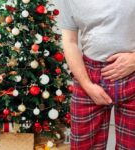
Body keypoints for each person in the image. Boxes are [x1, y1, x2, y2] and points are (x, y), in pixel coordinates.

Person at [57, 0, 135, 150]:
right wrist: (86, 84)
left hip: (132, 73)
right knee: (83, 146)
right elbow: (69, 41)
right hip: (88, 75)